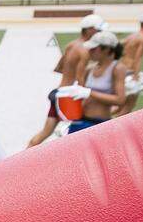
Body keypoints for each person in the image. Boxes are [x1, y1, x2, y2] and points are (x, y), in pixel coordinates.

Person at [27, 14, 106, 148]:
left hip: (59, 93)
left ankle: (21, 158)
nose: (100, 34)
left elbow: (59, 68)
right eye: (99, 31)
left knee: (45, 133)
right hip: (70, 97)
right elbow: (81, 82)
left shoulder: (72, 45)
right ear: (89, 30)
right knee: (79, 133)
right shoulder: (86, 50)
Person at [67, 31, 127, 135]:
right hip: (81, 120)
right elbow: (81, 95)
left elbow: (120, 100)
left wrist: (89, 93)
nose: (89, 51)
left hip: (100, 124)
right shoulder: (90, 69)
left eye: (94, 48)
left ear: (107, 49)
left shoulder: (117, 68)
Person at [115, 12, 143, 117]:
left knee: (122, 105)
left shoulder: (133, 36)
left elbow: (118, 47)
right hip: (130, 73)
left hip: (122, 71)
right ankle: (111, 128)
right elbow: (137, 58)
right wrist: (136, 78)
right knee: (128, 106)